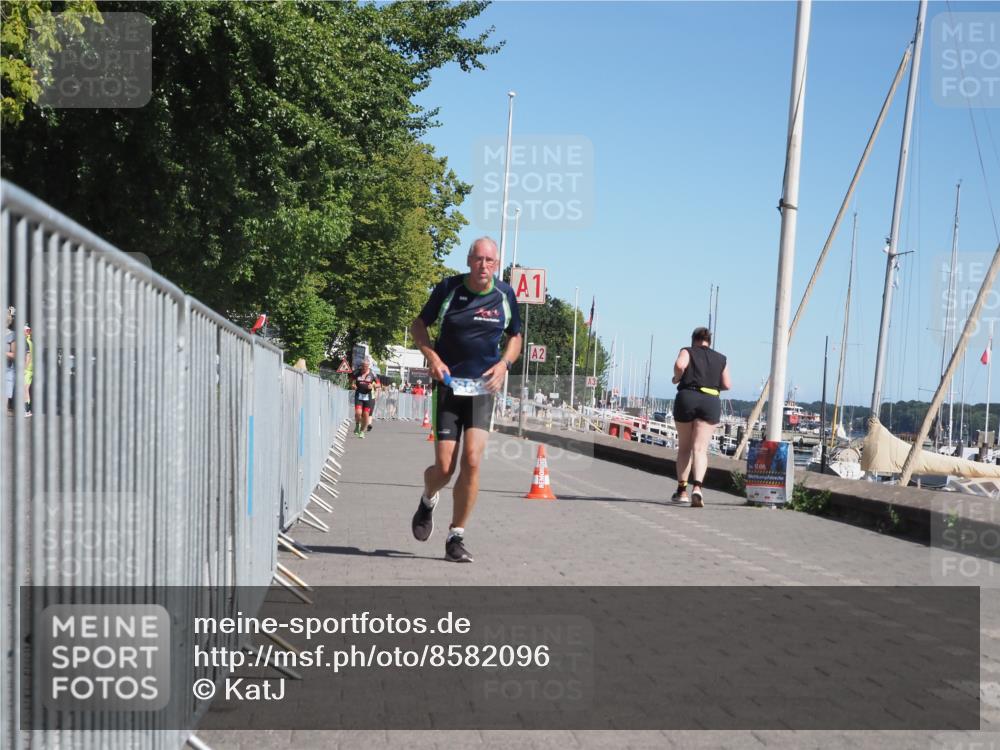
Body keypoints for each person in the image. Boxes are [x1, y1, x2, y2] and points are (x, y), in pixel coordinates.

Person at [409, 237, 522, 563]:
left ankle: (455, 536)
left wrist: (504, 364)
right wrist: (431, 355)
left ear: (496, 265)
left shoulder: (504, 295)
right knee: (445, 468)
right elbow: (419, 324)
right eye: (478, 259)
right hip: (448, 386)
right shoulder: (448, 289)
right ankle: (428, 498)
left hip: (483, 388)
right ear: (469, 260)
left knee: (472, 461)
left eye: (490, 260)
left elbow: (515, 335)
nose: (483, 266)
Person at [670, 326, 731, 507]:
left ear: (693, 340)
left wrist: (676, 378)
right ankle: (697, 488)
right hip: (710, 400)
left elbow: (680, 365)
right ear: (708, 341)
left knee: (684, 448)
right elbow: (727, 384)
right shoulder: (721, 358)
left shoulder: (687, 351)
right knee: (700, 449)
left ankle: (682, 491)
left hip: (687, 397)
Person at [350, 359, 378, 438]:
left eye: (366, 366)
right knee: (358, 413)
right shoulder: (357, 372)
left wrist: (373, 386)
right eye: (363, 366)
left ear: (368, 366)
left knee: (366, 415)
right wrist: (353, 385)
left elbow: (378, 384)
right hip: (359, 394)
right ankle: (357, 425)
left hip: (368, 396)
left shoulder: (372, 373)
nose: (364, 368)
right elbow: (351, 380)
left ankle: (362, 431)